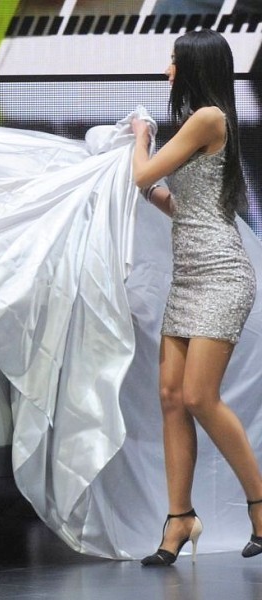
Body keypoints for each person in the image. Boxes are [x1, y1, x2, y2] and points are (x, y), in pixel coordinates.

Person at [131, 29, 262, 566]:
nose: (168, 71)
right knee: (169, 395)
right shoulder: (200, 125)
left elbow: (143, 170)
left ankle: (261, 507)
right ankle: (179, 520)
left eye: (173, 62)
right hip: (188, 276)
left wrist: (141, 135)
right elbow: (181, 205)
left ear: (194, 68)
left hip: (222, 275)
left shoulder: (207, 119)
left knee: (198, 397)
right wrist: (148, 187)